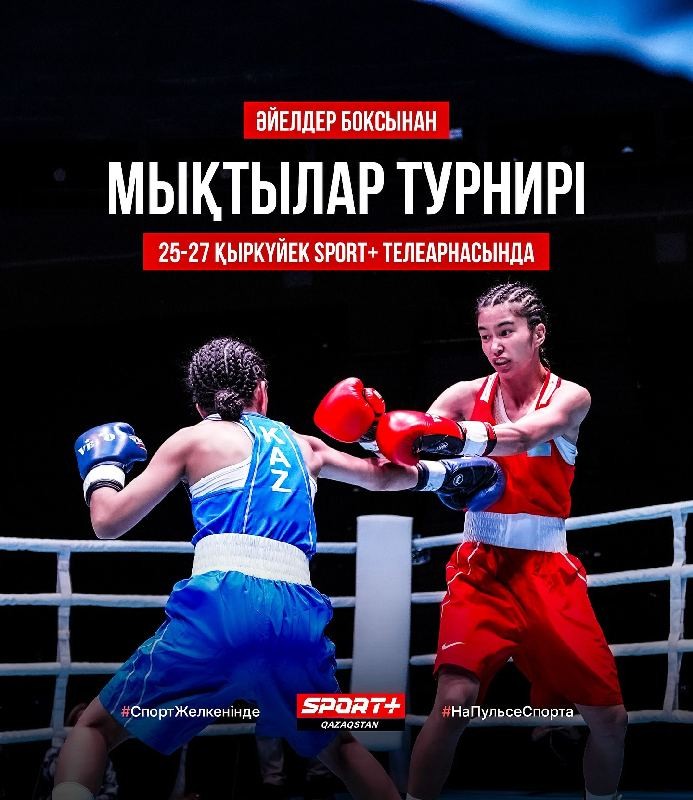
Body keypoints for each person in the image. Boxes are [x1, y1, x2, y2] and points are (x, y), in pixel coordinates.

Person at [52, 338, 502, 800]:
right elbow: (384, 476)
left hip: (220, 609)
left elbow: (108, 521)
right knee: (341, 747)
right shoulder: (305, 447)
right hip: (296, 617)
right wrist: (444, 473)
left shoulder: (194, 438)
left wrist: (102, 469)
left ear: (200, 403)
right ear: (261, 392)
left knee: (93, 729)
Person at [371, 282, 627, 800]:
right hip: (481, 568)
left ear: (538, 334)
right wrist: (368, 435)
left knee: (610, 718)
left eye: (506, 332)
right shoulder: (465, 396)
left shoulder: (570, 396)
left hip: (549, 572)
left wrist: (457, 436)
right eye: (485, 335)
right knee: (454, 702)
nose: (494, 346)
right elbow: (403, 463)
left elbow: (526, 435)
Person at [33, 704, 117, 800]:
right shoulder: (56, 752)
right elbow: (50, 774)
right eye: (80, 719)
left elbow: (111, 789)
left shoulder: (103, 758)